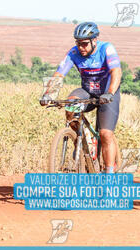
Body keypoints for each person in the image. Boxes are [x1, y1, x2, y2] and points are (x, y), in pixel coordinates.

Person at [40, 22, 122, 174]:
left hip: (108, 93)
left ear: (94, 40)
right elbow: (59, 74)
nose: (81, 48)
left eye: (84, 44)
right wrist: (48, 94)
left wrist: (110, 93)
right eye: (78, 44)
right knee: (70, 104)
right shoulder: (74, 53)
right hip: (88, 91)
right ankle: (82, 143)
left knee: (105, 134)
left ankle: (109, 176)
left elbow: (116, 72)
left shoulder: (106, 49)